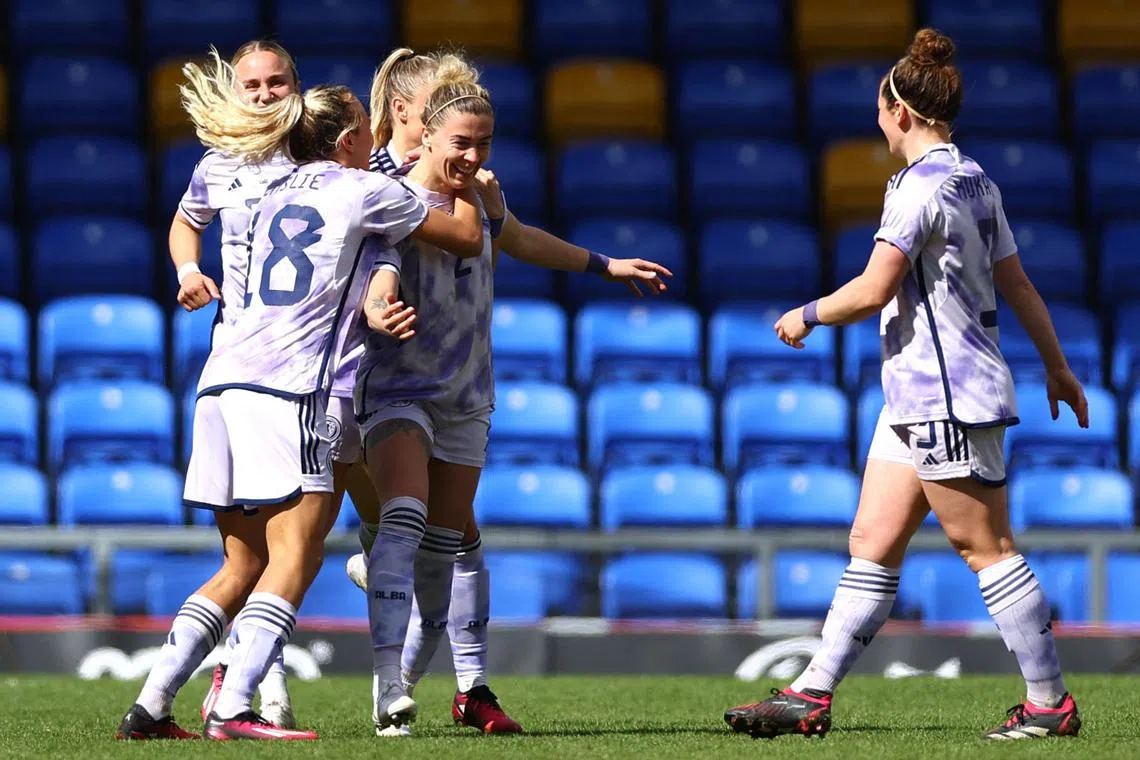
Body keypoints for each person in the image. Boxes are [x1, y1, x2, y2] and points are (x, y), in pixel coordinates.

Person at [724, 28, 1087, 741]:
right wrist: (1056, 363)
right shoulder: (977, 178)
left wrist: (806, 315)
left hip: (947, 395)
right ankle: (812, 692)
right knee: (873, 540)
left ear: (899, 112)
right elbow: (1017, 283)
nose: (877, 120)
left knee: (985, 547)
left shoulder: (919, 189)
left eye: (878, 109)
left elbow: (873, 286)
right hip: (918, 396)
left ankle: (1050, 704)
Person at [115, 48, 484, 742]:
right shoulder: (359, 189)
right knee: (298, 553)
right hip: (293, 392)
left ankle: (151, 706)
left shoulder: (259, 196)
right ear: (347, 142)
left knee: (243, 561)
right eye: (367, 138)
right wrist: (462, 172)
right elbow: (462, 236)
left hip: (219, 383)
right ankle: (235, 705)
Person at [342, 47, 671, 737]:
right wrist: (379, 305)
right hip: (397, 389)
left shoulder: (481, 197)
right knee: (407, 529)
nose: (473, 154)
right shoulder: (389, 194)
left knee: (451, 546)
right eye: (461, 141)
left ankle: (448, 689)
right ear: (421, 127)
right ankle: (386, 691)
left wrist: (603, 264)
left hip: (466, 395)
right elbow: (379, 267)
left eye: (483, 142)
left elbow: (514, 237)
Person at [168, 39, 300, 730]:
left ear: (295, 87)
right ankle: (255, 691)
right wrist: (188, 273)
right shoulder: (217, 166)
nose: (264, 93)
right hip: (247, 370)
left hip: (306, 371)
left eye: (277, 82)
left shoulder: (317, 158)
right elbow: (185, 226)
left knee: (269, 552)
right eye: (253, 83)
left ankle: (229, 685)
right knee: (263, 552)